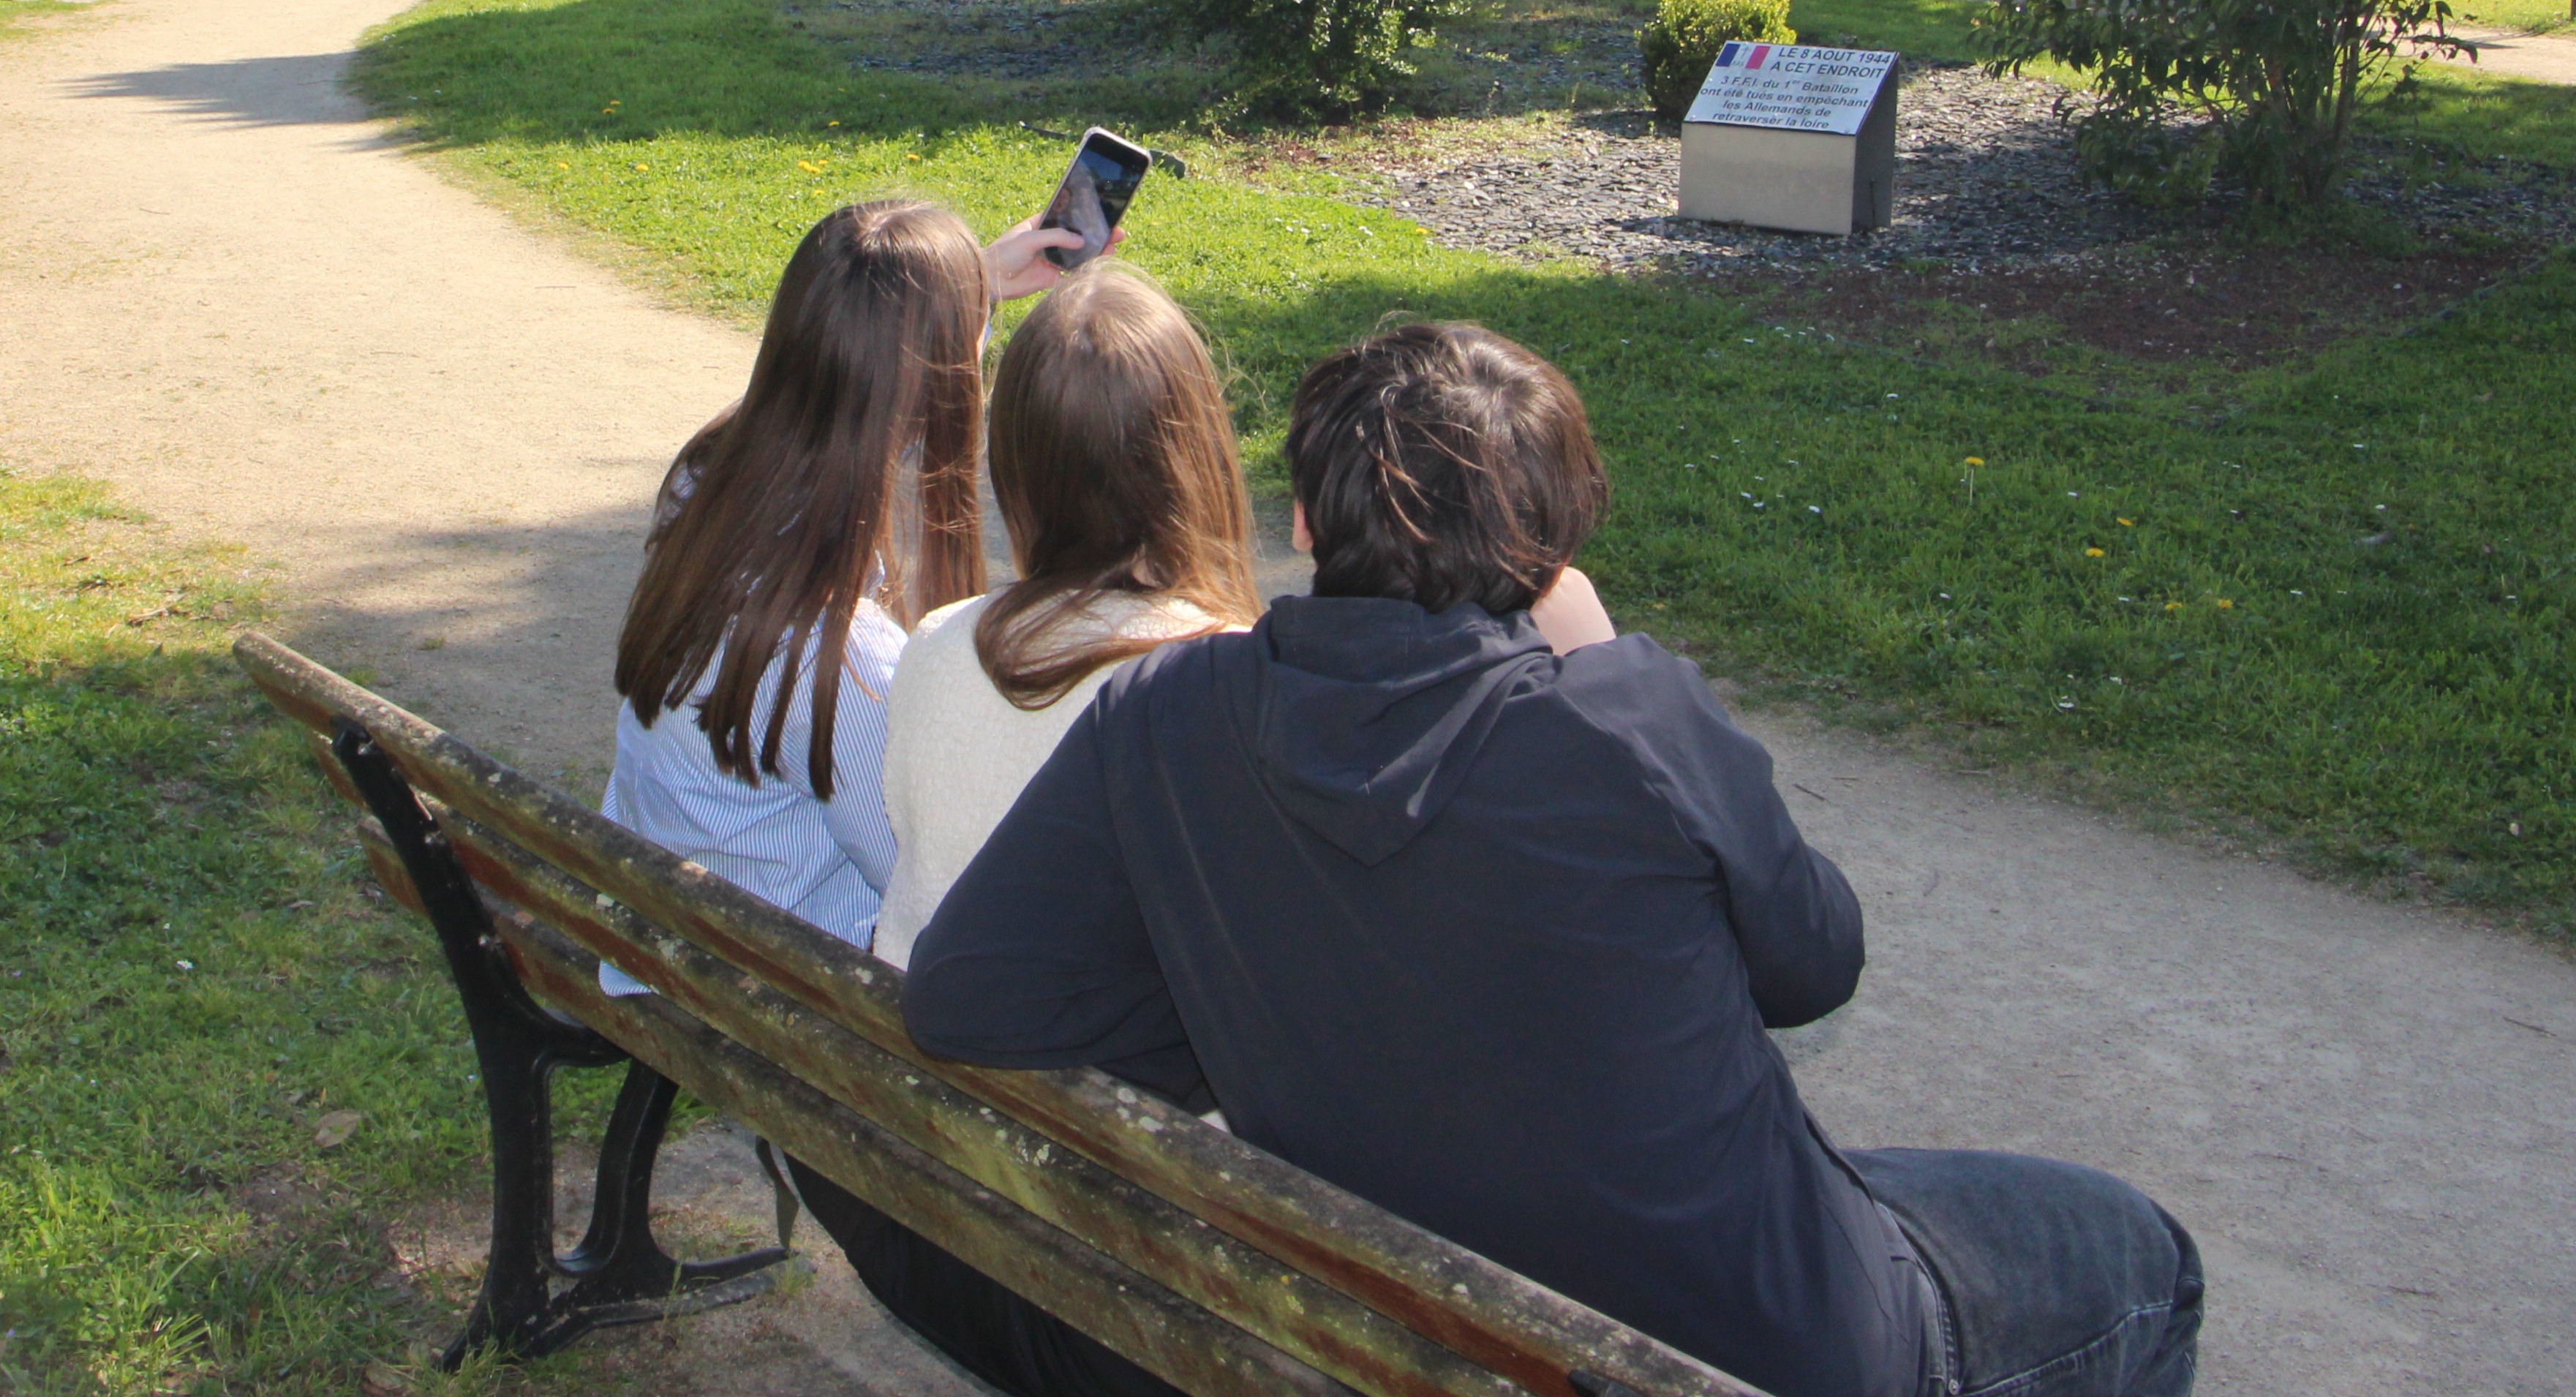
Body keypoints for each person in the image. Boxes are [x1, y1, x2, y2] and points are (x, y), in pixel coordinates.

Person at [903, 322, 2204, 1397]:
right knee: (2145, 1260)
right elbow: (1815, 962)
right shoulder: (1626, 718)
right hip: (1765, 1342)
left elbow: (969, 996)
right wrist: (1603, 660)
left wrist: (1251, 994)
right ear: (1550, 553)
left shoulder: (1168, 716)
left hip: (1415, 1321)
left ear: (1302, 520)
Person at [601, 196, 1171, 1397]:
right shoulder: (841, 664)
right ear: (931, 400)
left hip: (673, 933)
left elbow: (840, 363)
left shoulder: (706, 481)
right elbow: (930, 884)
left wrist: (972, 293)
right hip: (790, 1004)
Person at [872, 262, 1265, 964]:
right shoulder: (1232, 681)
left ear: (1014, 461)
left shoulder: (937, 643)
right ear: (1197, 455)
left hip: (904, 1023)